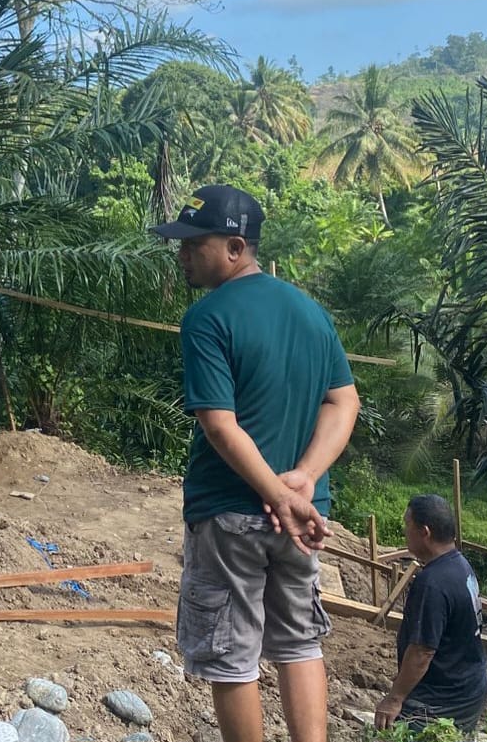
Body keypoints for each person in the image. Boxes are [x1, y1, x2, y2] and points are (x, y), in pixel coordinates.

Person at [152, 184, 361, 742]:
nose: (184, 255)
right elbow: (344, 401)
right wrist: (304, 482)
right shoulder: (311, 313)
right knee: (299, 643)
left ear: (236, 246)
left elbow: (220, 425)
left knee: (230, 654)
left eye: (195, 244)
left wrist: (276, 493)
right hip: (301, 519)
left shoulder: (208, 317)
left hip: (232, 513)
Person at [376, 495, 487, 736]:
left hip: (443, 698)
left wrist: (394, 699)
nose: (405, 532)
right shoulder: (460, 566)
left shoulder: (432, 583)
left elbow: (422, 652)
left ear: (424, 532)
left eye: (407, 525)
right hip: (470, 686)